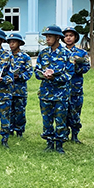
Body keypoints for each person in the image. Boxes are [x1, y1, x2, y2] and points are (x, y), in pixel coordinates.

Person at [35, 25, 74, 153]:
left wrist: (54, 78)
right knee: (47, 120)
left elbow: (69, 73)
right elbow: (36, 71)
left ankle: (60, 144)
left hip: (60, 93)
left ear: (58, 37)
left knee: (60, 120)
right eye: (46, 36)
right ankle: (49, 142)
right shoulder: (43, 53)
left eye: (50, 36)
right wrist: (43, 75)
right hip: (46, 93)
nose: (47, 39)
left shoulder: (67, 54)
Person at [62, 27, 91, 143]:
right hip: (62, 88)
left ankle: (75, 135)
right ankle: (63, 134)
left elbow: (86, 67)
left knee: (75, 112)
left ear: (75, 38)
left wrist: (76, 66)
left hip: (75, 88)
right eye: (66, 36)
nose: (68, 38)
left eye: (71, 35)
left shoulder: (82, 53)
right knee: (62, 112)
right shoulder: (61, 52)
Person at [6, 32, 33, 138]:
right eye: (10, 42)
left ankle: (19, 131)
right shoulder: (6, 56)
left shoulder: (25, 57)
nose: (11, 44)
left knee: (20, 111)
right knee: (8, 110)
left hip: (19, 89)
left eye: (14, 42)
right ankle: (9, 129)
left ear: (19, 43)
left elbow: (29, 72)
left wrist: (20, 76)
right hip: (7, 88)